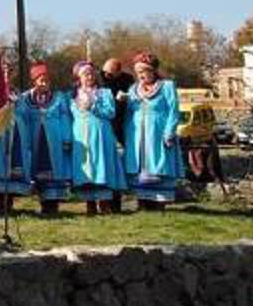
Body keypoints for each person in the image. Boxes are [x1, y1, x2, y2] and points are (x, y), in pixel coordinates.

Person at [123, 51, 183, 210]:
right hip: (137, 135)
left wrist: (169, 131)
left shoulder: (167, 86)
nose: (141, 75)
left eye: (144, 71)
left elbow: (173, 110)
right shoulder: (133, 89)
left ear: (153, 70)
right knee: (139, 165)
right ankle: (142, 203)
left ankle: (159, 203)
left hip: (158, 133)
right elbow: (129, 112)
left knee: (158, 163)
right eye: (138, 72)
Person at [69, 61, 127, 215]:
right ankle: (90, 204)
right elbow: (70, 117)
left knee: (102, 165)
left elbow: (110, 112)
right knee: (87, 168)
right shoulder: (73, 95)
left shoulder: (105, 93)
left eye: (91, 73)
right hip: (81, 135)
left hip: (101, 134)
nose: (89, 77)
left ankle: (105, 203)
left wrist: (93, 106)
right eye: (85, 74)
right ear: (79, 78)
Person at [16, 64, 73, 215]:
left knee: (54, 170)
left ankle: (53, 203)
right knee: (38, 169)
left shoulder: (58, 97)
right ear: (35, 81)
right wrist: (24, 140)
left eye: (47, 80)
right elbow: (22, 119)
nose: (44, 82)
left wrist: (66, 138)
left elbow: (65, 118)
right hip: (36, 139)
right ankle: (43, 201)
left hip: (54, 139)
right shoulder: (25, 98)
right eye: (41, 79)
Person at [0, 58, 30, 211]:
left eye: (9, 71)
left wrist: (15, 111)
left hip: (15, 128)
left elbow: (24, 110)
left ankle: (9, 198)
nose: (6, 73)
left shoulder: (17, 92)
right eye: (3, 70)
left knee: (14, 162)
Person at [100, 57, 135, 212]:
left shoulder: (127, 81)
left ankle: (116, 203)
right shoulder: (99, 80)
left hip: (120, 128)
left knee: (118, 166)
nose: (106, 75)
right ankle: (103, 202)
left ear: (118, 72)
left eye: (110, 73)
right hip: (104, 128)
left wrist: (123, 100)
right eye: (105, 72)